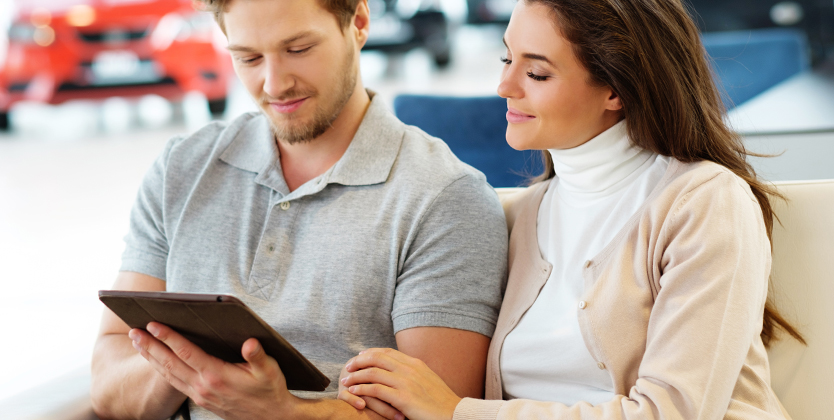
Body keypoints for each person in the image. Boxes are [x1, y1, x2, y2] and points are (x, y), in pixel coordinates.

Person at [337, 0, 805, 419]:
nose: (503, 85)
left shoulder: (704, 202)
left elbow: (673, 413)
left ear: (615, 90)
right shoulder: (525, 217)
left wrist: (457, 413)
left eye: (537, 73)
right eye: (507, 58)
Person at [89, 0, 509, 419]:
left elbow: (440, 413)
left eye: (299, 49)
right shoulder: (182, 168)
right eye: (248, 57)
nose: (274, 84)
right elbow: (107, 386)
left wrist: (279, 410)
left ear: (359, 22)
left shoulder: (445, 197)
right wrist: (194, 366)